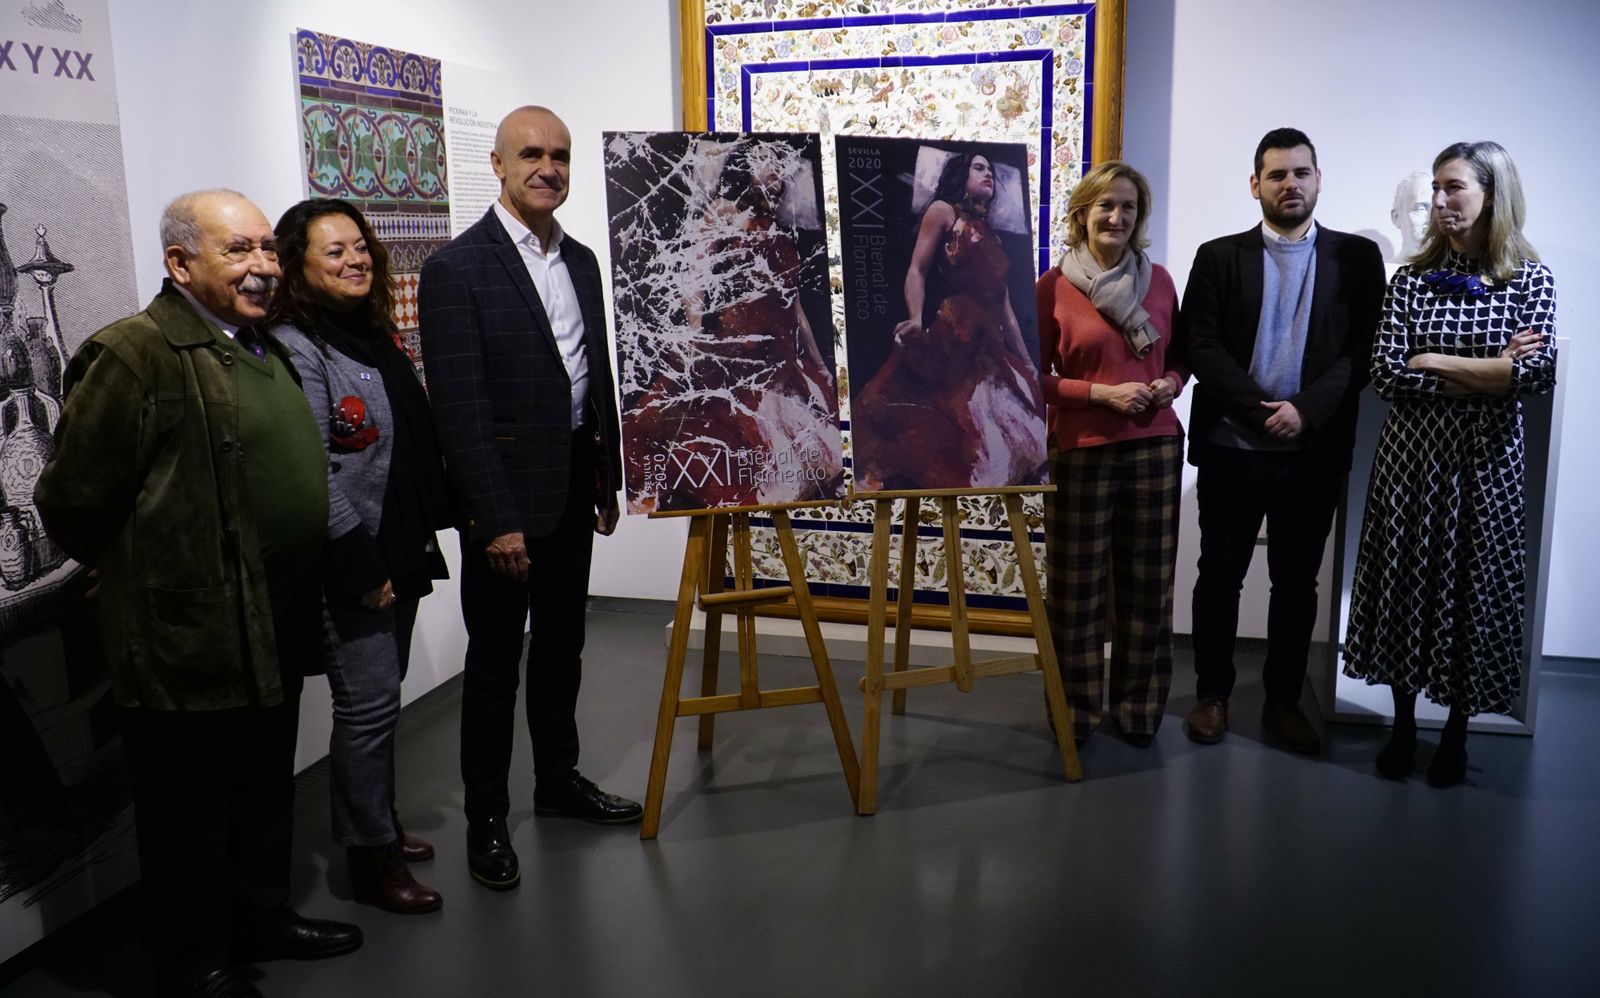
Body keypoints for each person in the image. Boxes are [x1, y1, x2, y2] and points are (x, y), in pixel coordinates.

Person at [35, 189, 361, 998]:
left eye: (266, 249)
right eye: (236, 251)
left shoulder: (256, 344)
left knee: (260, 783)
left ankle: (260, 918)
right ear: (181, 262)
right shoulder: (134, 354)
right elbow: (71, 497)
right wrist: (142, 565)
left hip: (270, 612)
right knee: (187, 807)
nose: (261, 267)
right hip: (185, 631)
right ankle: (193, 958)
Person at [419, 105, 641, 893]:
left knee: (562, 649)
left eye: (561, 155)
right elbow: (460, 410)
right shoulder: (457, 268)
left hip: (571, 492)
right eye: (533, 155)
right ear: (500, 165)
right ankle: (486, 814)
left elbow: (593, 376)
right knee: (492, 666)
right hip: (508, 507)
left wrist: (607, 476)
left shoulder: (579, 258)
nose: (549, 168)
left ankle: (557, 781)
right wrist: (493, 519)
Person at [1343, 140, 1555, 787]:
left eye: (1454, 187)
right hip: (1411, 469)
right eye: (1436, 187)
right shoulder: (1409, 281)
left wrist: (1433, 360)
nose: (1439, 201)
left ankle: (1456, 734)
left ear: (1493, 193)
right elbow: (1386, 374)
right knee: (1406, 589)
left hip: (1486, 471)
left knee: (1471, 593)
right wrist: (1493, 371)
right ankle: (1404, 727)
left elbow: (1536, 373)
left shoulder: (1530, 278)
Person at [267, 198, 453, 914]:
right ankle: (371, 861)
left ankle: (382, 822)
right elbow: (310, 468)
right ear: (299, 267)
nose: (355, 261)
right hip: (354, 556)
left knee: (383, 699)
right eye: (334, 252)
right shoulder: (298, 346)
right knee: (368, 708)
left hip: (396, 544)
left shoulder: (369, 334)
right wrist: (358, 563)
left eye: (360, 249)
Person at [1182, 128, 1386, 755]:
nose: (1289, 184)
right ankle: (1212, 695)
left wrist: (1304, 411)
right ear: (1255, 185)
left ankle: (1281, 702)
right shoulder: (1217, 256)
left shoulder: (1357, 258)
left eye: (1301, 172)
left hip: (1311, 454)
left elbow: (1363, 352)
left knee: (1297, 585)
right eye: (1276, 175)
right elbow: (1200, 344)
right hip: (1231, 449)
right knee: (1219, 576)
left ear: (1319, 180)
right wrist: (1258, 411)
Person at [1036, 161, 1186, 747]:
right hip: (1080, 450)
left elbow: (1180, 358)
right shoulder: (1053, 287)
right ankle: (1075, 714)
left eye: (1128, 207)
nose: (1117, 217)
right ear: (1081, 214)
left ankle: (1138, 711)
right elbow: (1031, 376)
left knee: (1148, 588)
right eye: (1106, 206)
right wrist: (1100, 393)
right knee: (1076, 593)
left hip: (1155, 446)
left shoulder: (1162, 281)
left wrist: (1171, 383)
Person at [622, 141, 842, 511]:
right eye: (763, 164)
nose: (772, 174)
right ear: (744, 168)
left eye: (777, 167)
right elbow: (695, 276)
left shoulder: (782, 234)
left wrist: (819, 363)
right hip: (735, 347)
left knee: (815, 457)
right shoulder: (723, 212)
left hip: (779, 356)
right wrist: (694, 332)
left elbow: (796, 308)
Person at [851, 149, 1045, 490]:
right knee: (958, 428)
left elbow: (1007, 307)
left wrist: (1027, 361)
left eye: (991, 170)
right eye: (979, 167)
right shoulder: (944, 211)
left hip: (990, 344)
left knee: (1017, 432)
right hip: (956, 333)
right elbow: (917, 269)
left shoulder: (993, 234)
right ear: (961, 175)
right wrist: (914, 317)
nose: (988, 174)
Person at [1390, 170, 1433, 263]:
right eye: (1420, 209)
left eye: (1438, 209)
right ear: (1396, 217)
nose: (1431, 217)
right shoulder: (1386, 273)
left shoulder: (1460, 274)